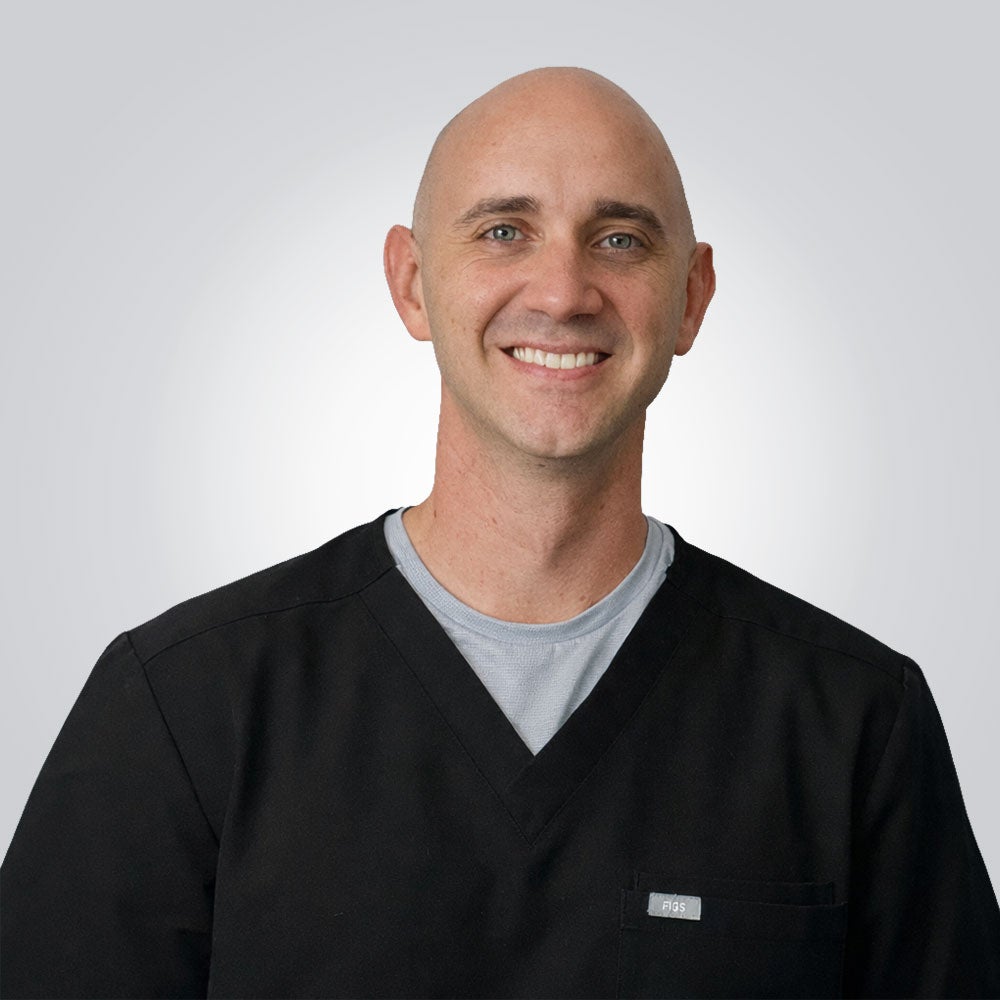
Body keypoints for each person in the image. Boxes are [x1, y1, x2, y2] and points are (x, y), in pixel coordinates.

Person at [2, 66, 998, 999]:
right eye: (504, 231)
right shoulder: (186, 706)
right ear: (411, 282)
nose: (562, 291)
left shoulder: (854, 723)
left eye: (620, 239)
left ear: (691, 298)